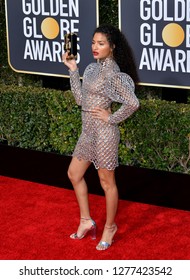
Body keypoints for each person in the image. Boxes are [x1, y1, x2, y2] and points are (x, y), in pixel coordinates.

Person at [62, 24, 139, 250]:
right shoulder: (92, 69)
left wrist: (111, 118)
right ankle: (86, 220)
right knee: (73, 174)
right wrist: (73, 70)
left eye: (101, 43)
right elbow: (80, 100)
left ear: (112, 47)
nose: (95, 47)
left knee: (107, 183)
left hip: (105, 134)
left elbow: (133, 103)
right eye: (93, 42)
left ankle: (110, 226)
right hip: (88, 132)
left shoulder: (113, 73)